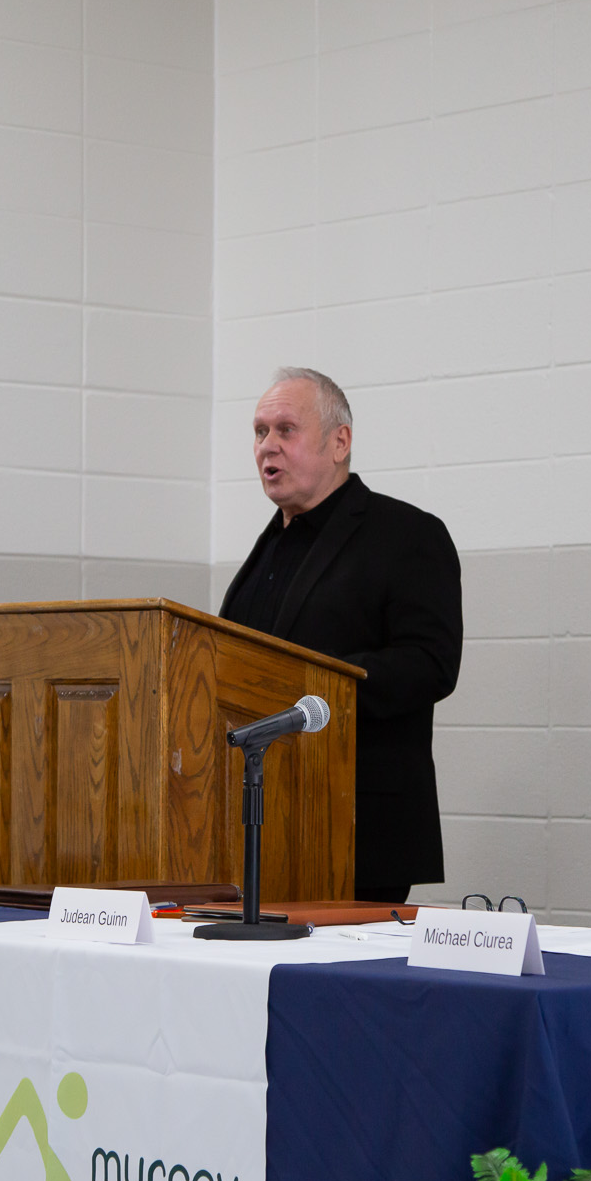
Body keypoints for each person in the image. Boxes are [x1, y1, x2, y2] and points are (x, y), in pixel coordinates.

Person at [218, 367, 463, 903]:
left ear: (340, 441)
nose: (267, 447)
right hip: (262, 823)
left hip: (358, 822)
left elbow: (431, 663)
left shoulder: (407, 535)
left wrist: (313, 688)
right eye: (259, 432)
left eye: (285, 429)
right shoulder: (265, 553)